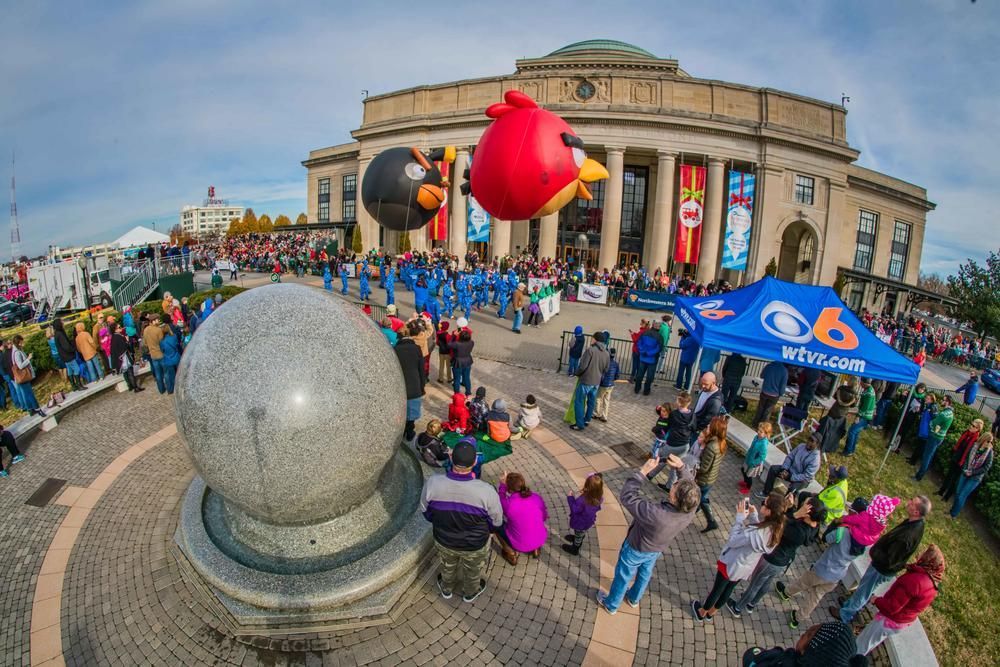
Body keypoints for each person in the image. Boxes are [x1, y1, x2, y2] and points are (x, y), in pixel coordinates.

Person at [596, 454, 700, 614]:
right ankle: (634, 598)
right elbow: (691, 487)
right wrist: (681, 468)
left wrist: (643, 472)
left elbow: (627, 496)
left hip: (636, 547)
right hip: (656, 549)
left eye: (675, 485)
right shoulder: (691, 507)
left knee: (623, 576)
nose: (675, 483)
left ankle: (611, 604)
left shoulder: (656, 514)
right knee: (645, 573)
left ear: (673, 497)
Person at [777, 494, 898, 629]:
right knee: (816, 596)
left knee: (803, 582)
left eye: (851, 511)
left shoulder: (844, 532)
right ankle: (798, 618)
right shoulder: (863, 543)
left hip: (822, 568)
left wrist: (836, 525)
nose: (849, 512)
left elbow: (827, 538)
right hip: (837, 576)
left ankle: (786, 593)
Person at [420, 440, 503, 603]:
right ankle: (470, 592)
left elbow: (425, 512)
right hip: (475, 545)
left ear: (451, 459)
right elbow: (497, 522)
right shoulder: (486, 491)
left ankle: (446, 588)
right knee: (473, 571)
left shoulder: (433, 483)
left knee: (447, 566)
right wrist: (489, 531)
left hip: (444, 540)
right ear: (474, 463)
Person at [692, 492, 787, 622]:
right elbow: (758, 530)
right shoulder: (775, 528)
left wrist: (740, 518)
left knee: (717, 590)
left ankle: (702, 612)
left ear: (769, 511)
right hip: (745, 567)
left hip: (732, 563)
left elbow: (733, 541)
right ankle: (712, 613)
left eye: (764, 503)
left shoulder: (755, 533)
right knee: (729, 589)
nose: (761, 504)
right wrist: (753, 515)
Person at [835, 495, 929, 624]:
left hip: (881, 568)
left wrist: (875, 553)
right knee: (864, 587)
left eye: (912, 502)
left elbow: (890, 559)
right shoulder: (915, 523)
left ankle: (845, 614)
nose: (909, 502)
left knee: (864, 591)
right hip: (881, 566)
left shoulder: (906, 536)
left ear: (916, 512)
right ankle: (849, 604)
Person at [728, 495, 825, 617]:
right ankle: (752, 603)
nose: (800, 506)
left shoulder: (800, 532)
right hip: (782, 561)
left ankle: (738, 607)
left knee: (755, 584)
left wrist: (795, 514)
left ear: (807, 512)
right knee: (765, 582)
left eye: (803, 505)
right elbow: (790, 520)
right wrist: (791, 509)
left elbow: (780, 525)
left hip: (773, 559)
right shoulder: (814, 525)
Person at [854, 545, 944, 656]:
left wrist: (876, 600)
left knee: (863, 643)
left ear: (927, 561)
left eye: (924, 554)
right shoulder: (932, 582)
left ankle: (848, 660)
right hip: (901, 622)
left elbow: (892, 607)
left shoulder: (914, 582)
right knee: (871, 642)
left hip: (889, 619)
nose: (919, 554)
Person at [742, 621, 867, 667]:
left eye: (807, 635)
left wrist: (756, 652)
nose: (803, 634)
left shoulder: (783, 660)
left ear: (808, 653)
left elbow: (751, 657)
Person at [494, 471, 548, 565]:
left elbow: (500, 498)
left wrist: (502, 485)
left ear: (509, 490)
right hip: (540, 538)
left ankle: (510, 553)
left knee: (496, 525)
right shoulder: (536, 497)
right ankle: (535, 550)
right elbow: (544, 516)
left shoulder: (509, 504)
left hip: (520, 544)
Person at [570, 332, 610, 431]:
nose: (591, 340)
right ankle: (587, 419)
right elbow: (606, 369)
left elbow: (582, 366)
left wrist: (577, 373)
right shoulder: (606, 353)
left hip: (586, 381)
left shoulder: (590, 350)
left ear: (595, 339)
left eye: (592, 338)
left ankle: (579, 424)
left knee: (579, 401)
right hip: (596, 382)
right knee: (591, 402)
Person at [394, 323, 427, 446]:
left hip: (400, 385)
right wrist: (422, 386)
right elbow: (421, 370)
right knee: (412, 411)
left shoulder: (395, 350)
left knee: (401, 410)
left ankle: (402, 431)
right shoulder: (416, 349)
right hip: (414, 384)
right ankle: (409, 431)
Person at [695, 415, 728, 533]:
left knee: (702, 498)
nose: (708, 426)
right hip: (711, 478)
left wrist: (695, 471)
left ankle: (711, 521)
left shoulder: (711, 446)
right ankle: (697, 509)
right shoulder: (721, 442)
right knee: (703, 496)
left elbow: (704, 468)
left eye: (710, 425)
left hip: (705, 479)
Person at [949, 432, 993, 518]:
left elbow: (986, 467)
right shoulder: (975, 446)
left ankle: (953, 514)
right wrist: (966, 469)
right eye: (988, 441)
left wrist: (972, 472)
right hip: (966, 472)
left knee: (962, 495)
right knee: (958, 492)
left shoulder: (989, 452)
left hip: (975, 478)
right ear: (983, 439)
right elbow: (967, 457)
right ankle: (952, 509)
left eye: (991, 442)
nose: (989, 444)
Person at [939, 420, 984, 498]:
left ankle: (947, 496)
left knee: (955, 479)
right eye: (971, 424)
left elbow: (971, 454)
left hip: (963, 461)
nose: (971, 426)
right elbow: (959, 444)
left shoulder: (976, 440)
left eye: (973, 426)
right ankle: (941, 491)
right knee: (949, 475)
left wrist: (963, 462)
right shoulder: (966, 433)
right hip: (956, 456)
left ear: (978, 429)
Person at [914, 395, 953, 481]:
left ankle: (919, 475)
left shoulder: (943, 414)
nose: (941, 401)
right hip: (940, 437)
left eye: (943, 400)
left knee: (926, 456)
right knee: (930, 455)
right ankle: (922, 472)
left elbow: (933, 423)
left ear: (947, 402)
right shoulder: (950, 413)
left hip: (934, 436)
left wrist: (931, 424)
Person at [563, 472, 603, 555]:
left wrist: (570, 497)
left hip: (580, 523)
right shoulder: (599, 497)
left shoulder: (583, 500)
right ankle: (579, 537)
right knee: (580, 533)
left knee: (579, 534)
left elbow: (574, 509)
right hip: (588, 522)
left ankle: (575, 548)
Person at [11, 335, 44, 417]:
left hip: (20, 378)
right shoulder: (17, 353)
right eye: (22, 341)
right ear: (19, 342)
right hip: (23, 377)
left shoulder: (16, 351)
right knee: (30, 394)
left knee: (26, 395)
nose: (23, 343)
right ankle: (38, 409)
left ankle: (30, 410)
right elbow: (20, 366)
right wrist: (28, 358)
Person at [843, 378, 875, 456]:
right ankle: (851, 449)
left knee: (852, 431)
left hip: (864, 416)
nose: (860, 384)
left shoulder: (869, 393)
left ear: (865, 383)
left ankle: (848, 451)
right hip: (865, 415)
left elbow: (865, 407)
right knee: (856, 432)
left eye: (861, 382)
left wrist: (858, 416)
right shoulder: (868, 389)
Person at [108, 322, 142, 393]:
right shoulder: (118, 337)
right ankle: (135, 387)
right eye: (119, 327)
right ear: (115, 330)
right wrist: (127, 340)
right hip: (124, 358)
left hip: (120, 359)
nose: (121, 328)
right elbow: (125, 347)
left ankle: (130, 386)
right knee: (130, 371)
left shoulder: (114, 337)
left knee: (125, 372)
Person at [52, 318, 84, 392]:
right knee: (77, 369)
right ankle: (79, 385)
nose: (63, 323)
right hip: (68, 356)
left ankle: (74, 386)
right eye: (62, 322)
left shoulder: (57, 334)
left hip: (64, 356)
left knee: (70, 371)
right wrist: (73, 349)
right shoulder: (60, 334)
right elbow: (66, 346)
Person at [739, 422, 771, 495]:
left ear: (766, 434)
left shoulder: (763, 444)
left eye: (761, 432)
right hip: (749, 458)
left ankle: (748, 487)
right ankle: (745, 482)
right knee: (743, 470)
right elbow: (752, 446)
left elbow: (762, 456)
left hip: (754, 463)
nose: (758, 432)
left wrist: (754, 463)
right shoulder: (756, 437)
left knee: (748, 475)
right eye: (758, 430)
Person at [753, 360, 789, 427]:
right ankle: (762, 427)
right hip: (774, 395)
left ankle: (755, 424)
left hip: (765, 391)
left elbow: (762, 376)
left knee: (760, 408)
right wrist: (781, 393)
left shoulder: (769, 366)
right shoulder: (784, 371)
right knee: (767, 411)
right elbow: (783, 386)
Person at [692, 372, 724, 439]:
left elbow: (709, 419)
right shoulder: (705, 389)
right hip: (694, 423)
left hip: (699, 431)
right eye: (702, 383)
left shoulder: (716, 401)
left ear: (713, 383)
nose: (703, 386)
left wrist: (697, 428)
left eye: (706, 384)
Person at [634, 325, 663, 396]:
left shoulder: (645, 332)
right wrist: (649, 353)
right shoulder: (660, 337)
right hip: (652, 359)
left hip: (643, 357)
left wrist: (642, 351)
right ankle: (646, 391)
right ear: (658, 328)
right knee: (649, 377)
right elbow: (658, 348)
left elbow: (639, 343)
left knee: (639, 375)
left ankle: (637, 389)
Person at [593, 348, 621, 422]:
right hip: (611, 385)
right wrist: (612, 380)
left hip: (603, 384)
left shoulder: (604, 363)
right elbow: (617, 376)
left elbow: (600, 373)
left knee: (598, 398)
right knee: (606, 400)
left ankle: (596, 414)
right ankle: (604, 416)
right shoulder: (616, 364)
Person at [141, 316, 166, 393]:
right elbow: (162, 342)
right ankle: (169, 387)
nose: (158, 321)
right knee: (166, 372)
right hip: (160, 354)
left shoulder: (145, 330)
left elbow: (144, 343)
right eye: (157, 320)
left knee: (158, 374)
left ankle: (161, 389)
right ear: (153, 321)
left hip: (153, 355)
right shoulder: (158, 330)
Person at [450, 329, 475, 396]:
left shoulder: (456, 344)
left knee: (457, 379)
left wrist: (453, 336)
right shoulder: (472, 343)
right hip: (467, 362)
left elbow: (449, 344)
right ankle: (468, 393)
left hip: (457, 362)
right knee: (467, 378)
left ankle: (457, 394)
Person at [159, 324, 181, 395]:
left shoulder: (162, 341)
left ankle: (172, 389)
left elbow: (162, 350)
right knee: (180, 374)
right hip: (176, 357)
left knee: (171, 376)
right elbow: (177, 344)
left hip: (168, 359)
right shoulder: (174, 336)